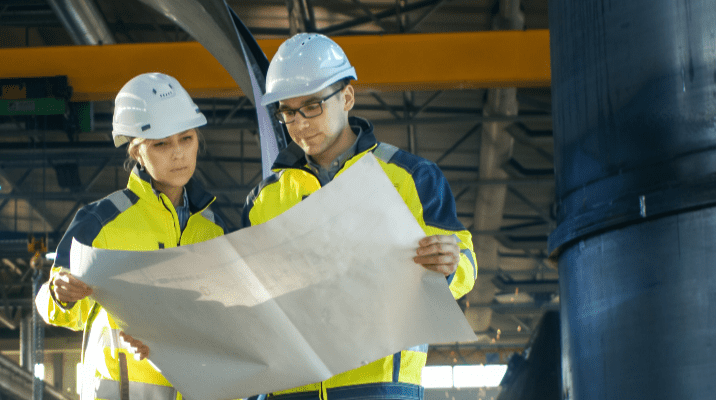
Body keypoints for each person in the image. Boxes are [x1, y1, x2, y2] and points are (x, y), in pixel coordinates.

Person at [243, 33, 475, 400]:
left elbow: (465, 262)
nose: (300, 123)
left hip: (380, 386)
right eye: (288, 111)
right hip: (290, 390)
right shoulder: (263, 199)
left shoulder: (410, 177)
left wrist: (452, 263)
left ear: (347, 97)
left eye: (312, 105)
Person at [36, 72, 235, 400]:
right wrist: (59, 295)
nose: (178, 154)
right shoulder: (100, 222)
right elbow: (56, 305)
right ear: (136, 151)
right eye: (161, 144)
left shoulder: (215, 230)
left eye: (186, 139)